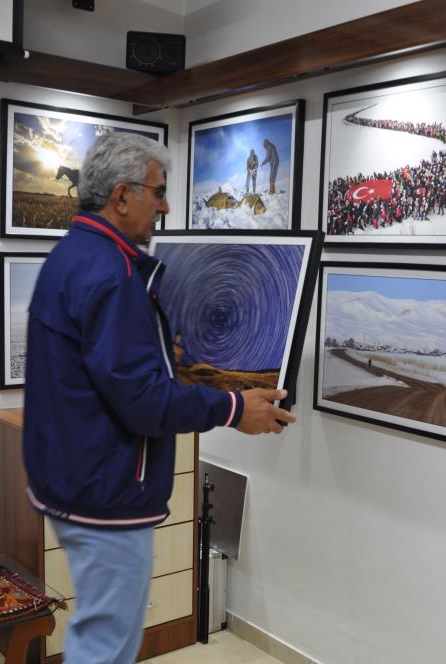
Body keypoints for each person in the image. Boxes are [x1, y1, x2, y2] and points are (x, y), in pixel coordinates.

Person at [23, 132, 295, 664]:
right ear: (121, 197)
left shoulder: (72, 255)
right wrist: (235, 409)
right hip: (106, 491)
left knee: (97, 631)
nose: (166, 206)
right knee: (107, 645)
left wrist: (155, 351)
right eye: (158, 191)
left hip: (71, 478)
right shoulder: (115, 273)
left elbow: (100, 365)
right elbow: (144, 401)